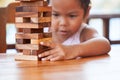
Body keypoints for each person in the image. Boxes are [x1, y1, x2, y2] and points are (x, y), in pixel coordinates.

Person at [38, 0, 111, 61]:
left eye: (72, 16)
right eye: (55, 15)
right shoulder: (40, 31)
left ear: (87, 12)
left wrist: (72, 50)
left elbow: (104, 44)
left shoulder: (84, 32)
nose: (63, 23)